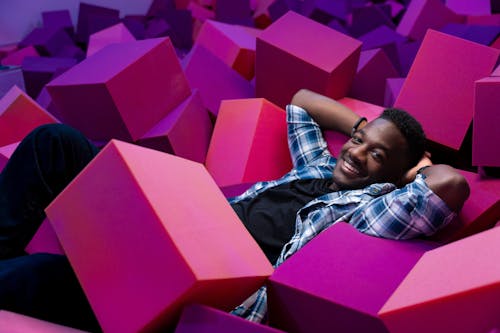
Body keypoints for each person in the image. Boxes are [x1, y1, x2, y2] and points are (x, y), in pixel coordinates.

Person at [0, 89, 470, 330]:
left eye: (376, 156)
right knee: (54, 143)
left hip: (197, 280)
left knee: (29, 278)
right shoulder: (315, 166)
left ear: (396, 175)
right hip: (181, 219)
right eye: (358, 141)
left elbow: (448, 185)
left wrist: (413, 171)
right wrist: (368, 127)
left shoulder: (368, 212)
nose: (356, 153)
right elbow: (302, 103)